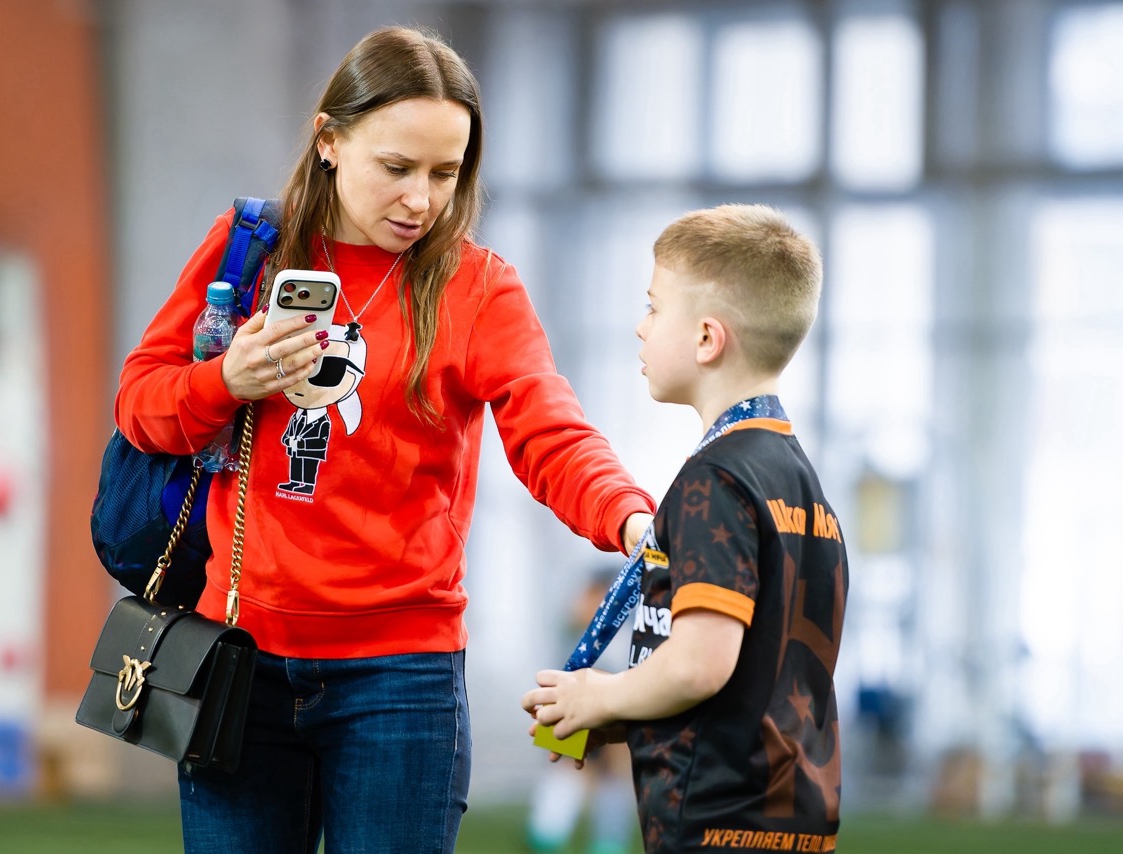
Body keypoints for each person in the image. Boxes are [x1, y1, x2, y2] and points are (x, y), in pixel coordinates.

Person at [113, 25, 654, 854]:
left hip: (401, 681)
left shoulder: (478, 287)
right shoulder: (248, 252)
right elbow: (140, 406)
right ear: (330, 141)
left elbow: (551, 428)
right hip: (236, 667)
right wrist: (227, 380)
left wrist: (628, 518)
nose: (421, 200)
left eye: (446, 174)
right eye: (397, 168)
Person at [521, 205, 848, 854]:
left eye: (652, 307)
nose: (639, 329)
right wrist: (624, 719)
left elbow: (700, 665)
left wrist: (604, 696)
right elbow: (754, 673)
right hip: (794, 817)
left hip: (716, 819)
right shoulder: (799, 480)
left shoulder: (715, 481)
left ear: (706, 338)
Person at [526, 568, 639, 854]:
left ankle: (607, 844)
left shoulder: (619, 633)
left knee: (612, 773)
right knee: (565, 767)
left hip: (609, 703)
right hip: (572, 702)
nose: (580, 601)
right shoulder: (574, 632)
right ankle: (546, 838)